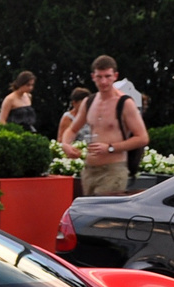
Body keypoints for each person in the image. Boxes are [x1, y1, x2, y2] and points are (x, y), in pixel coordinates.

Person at [61, 55, 148, 196]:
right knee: (89, 215)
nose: (103, 81)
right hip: (90, 169)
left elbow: (142, 138)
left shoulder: (125, 103)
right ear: (93, 77)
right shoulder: (89, 102)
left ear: (115, 76)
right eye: (99, 77)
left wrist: (111, 147)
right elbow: (72, 129)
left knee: (104, 215)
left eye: (107, 76)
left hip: (113, 169)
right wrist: (66, 145)